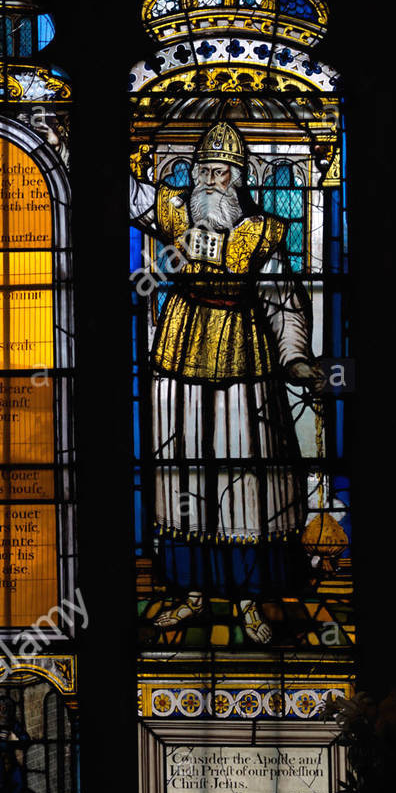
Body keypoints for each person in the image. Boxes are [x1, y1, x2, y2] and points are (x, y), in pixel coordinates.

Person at [129, 121, 323, 643]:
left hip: (245, 353)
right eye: (206, 172)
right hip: (180, 350)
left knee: (247, 472)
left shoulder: (260, 233)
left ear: (239, 183)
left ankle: (249, 598)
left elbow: (283, 300)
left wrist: (297, 359)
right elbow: (126, 190)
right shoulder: (172, 214)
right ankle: (189, 591)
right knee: (182, 468)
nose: (212, 182)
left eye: (223, 174)